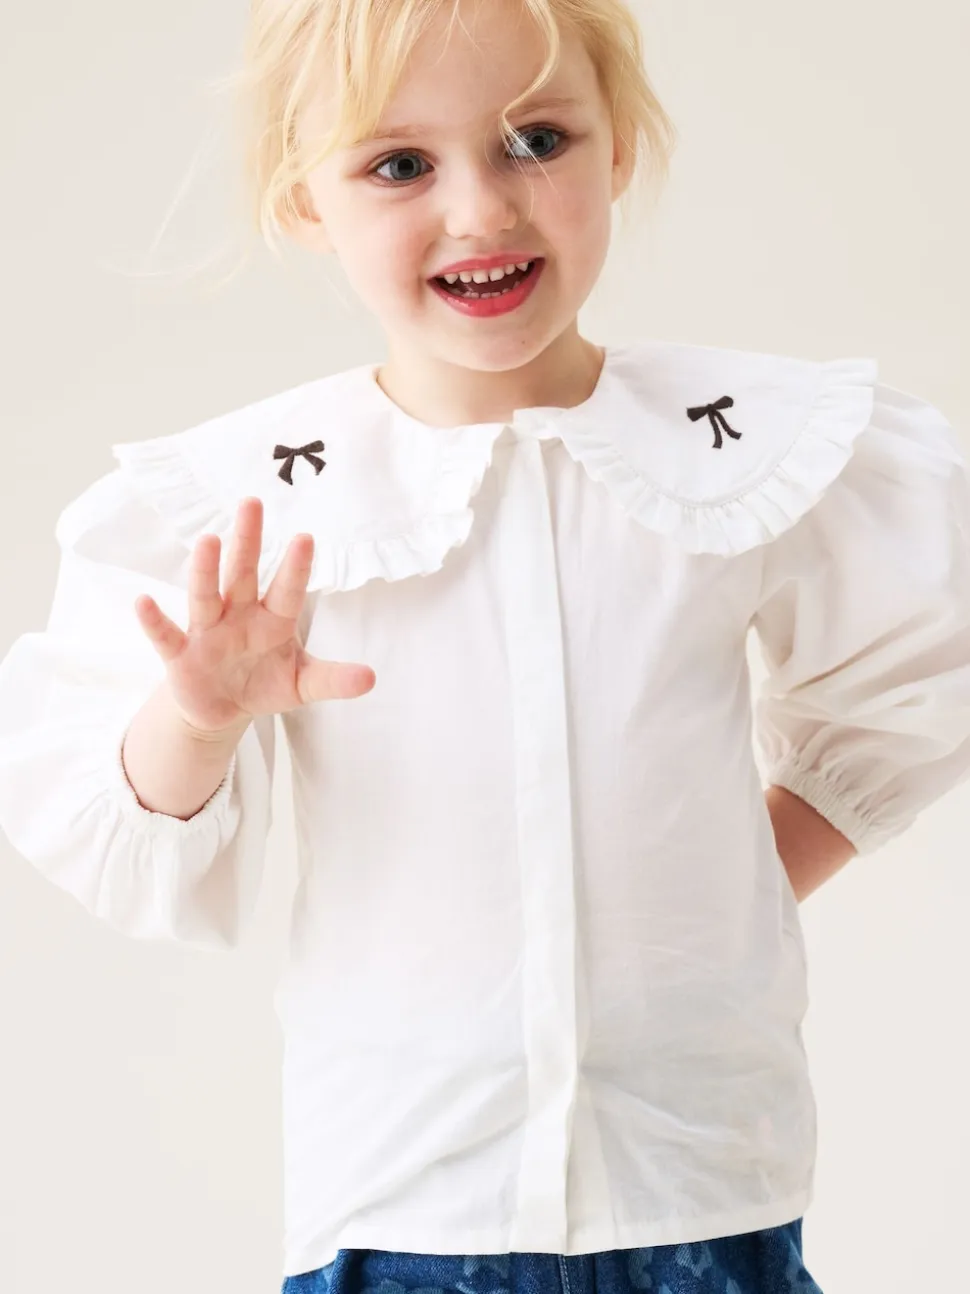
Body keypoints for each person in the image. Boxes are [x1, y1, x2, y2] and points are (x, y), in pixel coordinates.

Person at [1, 0, 969, 1291]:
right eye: (399, 164)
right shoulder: (259, 510)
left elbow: (912, 686)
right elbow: (119, 833)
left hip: (699, 1180)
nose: (481, 210)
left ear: (619, 146)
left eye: (536, 140)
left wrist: (721, 890)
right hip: (406, 1202)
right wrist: (198, 715)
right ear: (304, 198)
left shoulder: (733, 447)